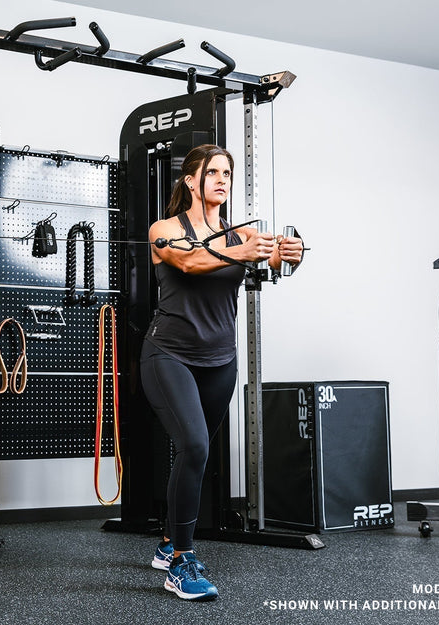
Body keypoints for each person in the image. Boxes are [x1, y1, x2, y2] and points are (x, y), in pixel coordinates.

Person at [140, 144, 303, 601]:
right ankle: (182, 561)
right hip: (168, 354)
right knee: (193, 444)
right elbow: (191, 261)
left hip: (219, 360)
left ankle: (170, 539)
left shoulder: (239, 234)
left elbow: (268, 268)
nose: (221, 179)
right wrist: (246, 250)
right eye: (212, 172)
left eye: (227, 173)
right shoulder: (164, 229)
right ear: (191, 181)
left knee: (195, 453)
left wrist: (287, 256)